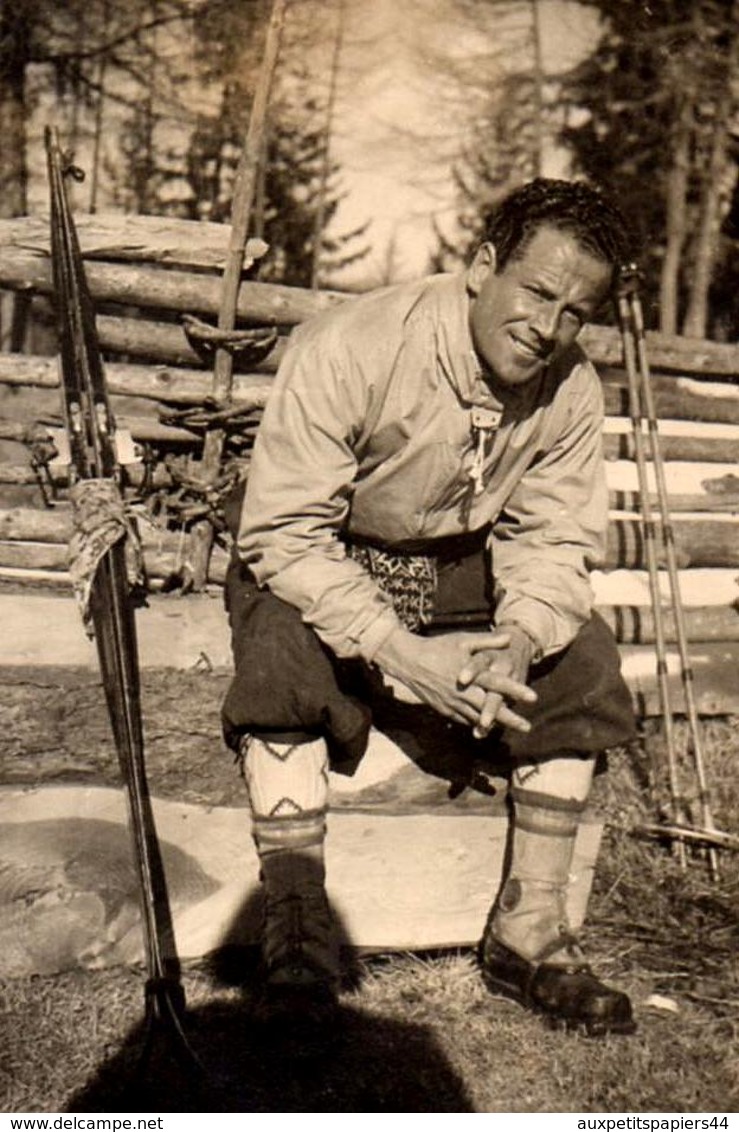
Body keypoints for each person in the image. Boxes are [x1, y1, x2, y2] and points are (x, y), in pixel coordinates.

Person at [222, 178, 638, 1036]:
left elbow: (554, 540)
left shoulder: (569, 386)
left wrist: (518, 639)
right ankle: (297, 927)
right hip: (321, 551)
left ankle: (528, 931)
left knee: (584, 660)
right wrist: (397, 650)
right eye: (536, 292)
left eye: (574, 311)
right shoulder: (350, 345)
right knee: (280, 652)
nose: (548, 326)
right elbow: (285, 533)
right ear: (483, 267)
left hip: (458, 568)